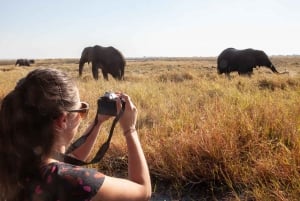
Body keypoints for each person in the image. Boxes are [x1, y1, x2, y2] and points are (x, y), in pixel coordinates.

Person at [0, 68, 151, 201]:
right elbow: (143, 191)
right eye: (82, 111)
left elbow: (71, 161)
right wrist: (130, 129)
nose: (81, 116)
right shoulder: (74, 181)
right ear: (62, 120)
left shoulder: (14, 160)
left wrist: (97, 123)